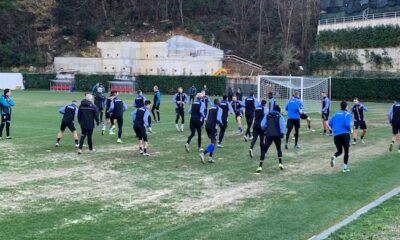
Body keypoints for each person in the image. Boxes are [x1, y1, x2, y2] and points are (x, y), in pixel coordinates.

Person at [256, 105, 286, 173]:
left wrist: (265, 129)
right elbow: (282, 125)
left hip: (269, 135)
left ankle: (260, 166)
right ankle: (280, 163)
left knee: (264, 150)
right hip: (277, 135)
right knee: (278, 149)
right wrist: (282, 133)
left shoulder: (267, 115)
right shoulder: (280, 116)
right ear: (279, 110)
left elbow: (262, 125)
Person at [328, 101, 352, 172]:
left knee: (339, 151)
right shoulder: (347, 114)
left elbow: (329, 123)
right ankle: (345, 168)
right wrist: (350, 130)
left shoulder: (335, 114)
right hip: (345, 134)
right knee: (346, 152)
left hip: (336, 135)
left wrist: (335, 129)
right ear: (346, 107)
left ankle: (334, 157)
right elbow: (347, 125)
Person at [199, 98, 222, 164]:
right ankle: (203, 153)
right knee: (214, 142)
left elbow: (206, 118)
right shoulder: (219, 109)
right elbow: (218, 119)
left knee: (213, 141)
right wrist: (221, 124)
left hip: (207, 126)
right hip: (213, 126)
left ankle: (210, 158)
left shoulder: (210, 108)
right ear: (218, 103)